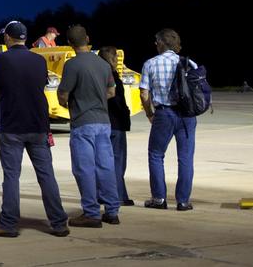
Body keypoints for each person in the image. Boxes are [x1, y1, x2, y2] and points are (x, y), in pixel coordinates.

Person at [0, 20, 69, 238]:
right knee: (46, 175)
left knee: (11, 176)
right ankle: (59, 223)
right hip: (38, 125)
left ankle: (8, 224)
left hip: (12, 125)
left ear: (7, 37)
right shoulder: (39, 60)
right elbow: (41, 85)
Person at [57, 26, 120, 227]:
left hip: (82, 123)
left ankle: (91, 213)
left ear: (69, 43)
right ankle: (112, 211)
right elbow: (111, 92)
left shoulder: (72, 65)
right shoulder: (103, 64)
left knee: (84, 169)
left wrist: (68, 103)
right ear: (88, 38)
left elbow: (63, 95)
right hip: (103, 122)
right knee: (106, 166)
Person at [139, 28, 197, 210]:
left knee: (156, 155)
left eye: (157, 41)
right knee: (185, 157)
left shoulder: (150, 64)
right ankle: (183, 201)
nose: (155, 44)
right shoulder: (188, 63)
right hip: (187, 116)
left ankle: (159, 199)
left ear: (162, 43)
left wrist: (149, 113)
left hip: (164, 114)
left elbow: (144, 93)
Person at [98, 46, 134, 207]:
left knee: (102, 161)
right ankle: (119, 195)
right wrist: (125, 114)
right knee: (118, 162)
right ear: (113, 60)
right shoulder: (113, 78)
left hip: (100, 122)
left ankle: (102, 194)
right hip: (116, 124)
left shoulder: (96, 76)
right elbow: (117, 101)